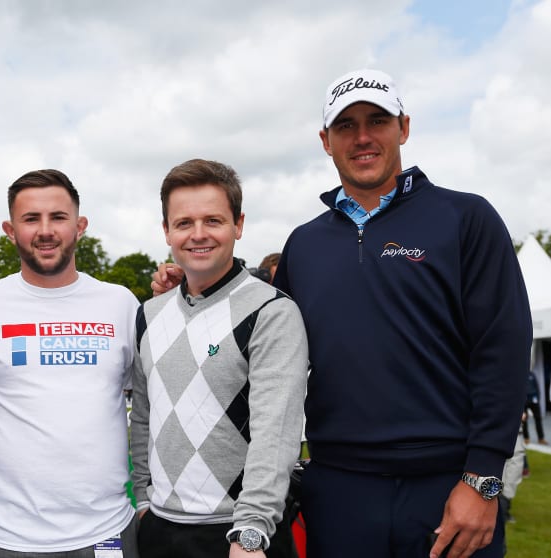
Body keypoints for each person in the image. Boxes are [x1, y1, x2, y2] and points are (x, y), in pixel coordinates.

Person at [271, 69, 530, 558]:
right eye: (346, 126)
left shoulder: (466, 218)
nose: (363, 137)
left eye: (377, 121)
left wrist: (483, 479)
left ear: (404, 128)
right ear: (326, 141)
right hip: (338, 490)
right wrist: (194, 286)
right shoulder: (303, 245)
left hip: (450, 486)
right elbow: (267, 351)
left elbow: (503, 351)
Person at [131, 159, 308, 558]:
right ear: (166, 231)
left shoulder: (272, 312)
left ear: (238, 225)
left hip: (242, 538)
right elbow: (143, 416)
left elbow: (275, 435)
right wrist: (144, 503)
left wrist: (251, 530)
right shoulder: (149, 314)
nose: (198, 235)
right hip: (160, 530)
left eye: (213, 220)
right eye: (183, 223)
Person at [0, 169, 140, 557]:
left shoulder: (121, 303)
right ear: (10, 230)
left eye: (58, 217)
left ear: (80, 226)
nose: (45, 230)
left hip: (106, 531)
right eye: (30, 219)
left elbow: (151, 402)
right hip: (6, 536)